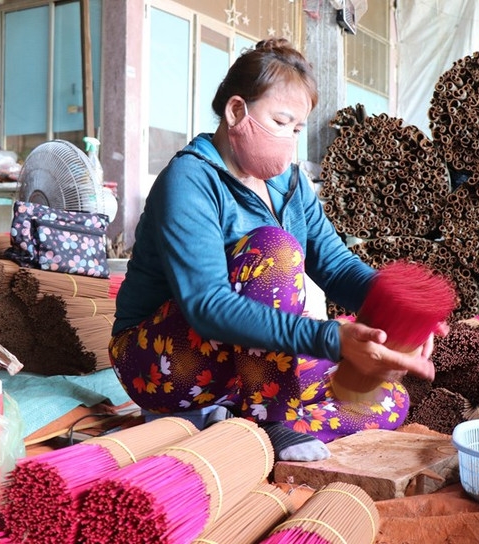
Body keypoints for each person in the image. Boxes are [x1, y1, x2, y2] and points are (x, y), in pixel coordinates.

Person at [109, 38, 440, 462]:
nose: (291, 141)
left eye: (298, 129)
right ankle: (266, 421)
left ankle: (236, 424)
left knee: (386, 399)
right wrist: (330, 338)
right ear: (236, 112)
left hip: (248, 367)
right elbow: (206, 305)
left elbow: (336, 266)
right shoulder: (190, 179)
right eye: (282, 122)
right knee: (274, 249)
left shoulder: (291, 185)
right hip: (160, 360)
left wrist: (402, 309)